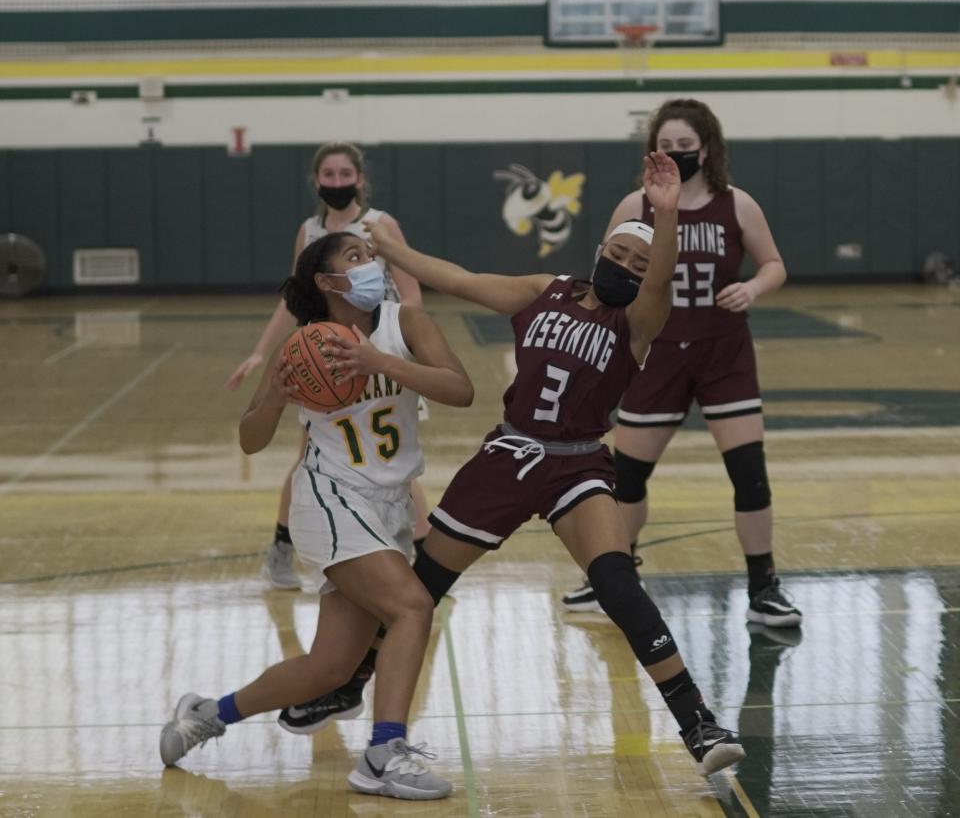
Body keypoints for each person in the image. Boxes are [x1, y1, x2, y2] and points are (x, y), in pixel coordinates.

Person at [282, 150, 746, 779]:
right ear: (599, 250)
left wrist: (662, 215)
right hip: (508, 454)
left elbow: (661, 279)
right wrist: (393, 252)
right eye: (619, 253)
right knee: (422, 590)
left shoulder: (636, 321)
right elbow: (459, 278)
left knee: (617, 583)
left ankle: (698, 723)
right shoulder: (543, 291)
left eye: (638, 264)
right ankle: (352, 679)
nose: (628, 267)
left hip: (578, 464)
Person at [160, 231, 473, 800]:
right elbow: (250, 440)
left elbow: (461, 390)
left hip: (389, 506)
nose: (370, 263)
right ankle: (383, 752)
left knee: (330, 669)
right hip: (330, 498)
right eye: (355, 257)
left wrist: (379, 361)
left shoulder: (407, 325)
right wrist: (276, 398)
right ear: (328, 283)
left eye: (369, 255)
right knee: (412, 607)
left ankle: (207, 714)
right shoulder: (302, 348)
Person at [561, 99, 802, 630]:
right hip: (655, 356)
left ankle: (763, 589)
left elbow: (775, 265)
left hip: (724, 353)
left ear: (707, 148)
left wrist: (753, 286)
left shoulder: (737, 204)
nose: (675, 156)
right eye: (666, 147)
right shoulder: (633, 206)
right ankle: (616, 578)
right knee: (627, 478)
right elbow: (605, 276)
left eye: (685, 148)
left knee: (749, 476)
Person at [225, 141, 431, 590]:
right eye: (329, 175)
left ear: (359, 179)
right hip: (329, 359)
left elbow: (411, 293)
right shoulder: (309, 230)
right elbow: (293, 300)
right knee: (317, 456)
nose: (337, 182)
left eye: (345, 175)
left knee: (391, 455)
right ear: (316, 181)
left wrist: (405, 346)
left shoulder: (379, 225)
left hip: (385, 354)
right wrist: (263, 351)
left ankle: (421, 553)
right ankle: (283, 548)